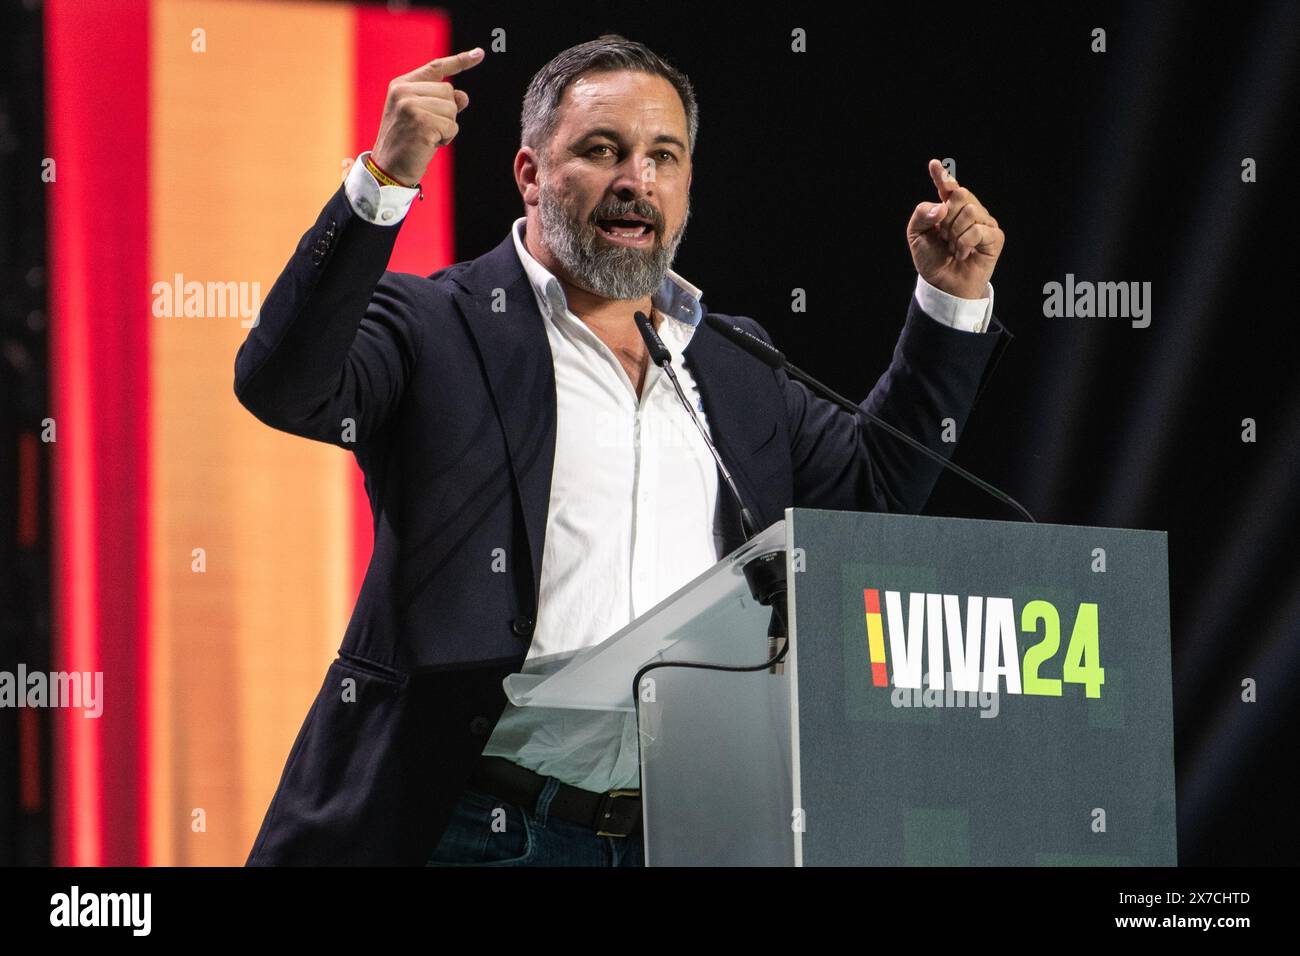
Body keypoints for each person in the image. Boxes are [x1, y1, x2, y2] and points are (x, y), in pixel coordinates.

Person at [234, 34, 1011, 867]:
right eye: (602, 151)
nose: (635, 180)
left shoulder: (732, 359)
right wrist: (384, 181)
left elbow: (874, 491)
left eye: (663, 157)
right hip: (460, 823)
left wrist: (948, 304)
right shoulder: (436, 324)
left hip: (673, 833)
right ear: (530, 174)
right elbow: (284, 385)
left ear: (685, 186)